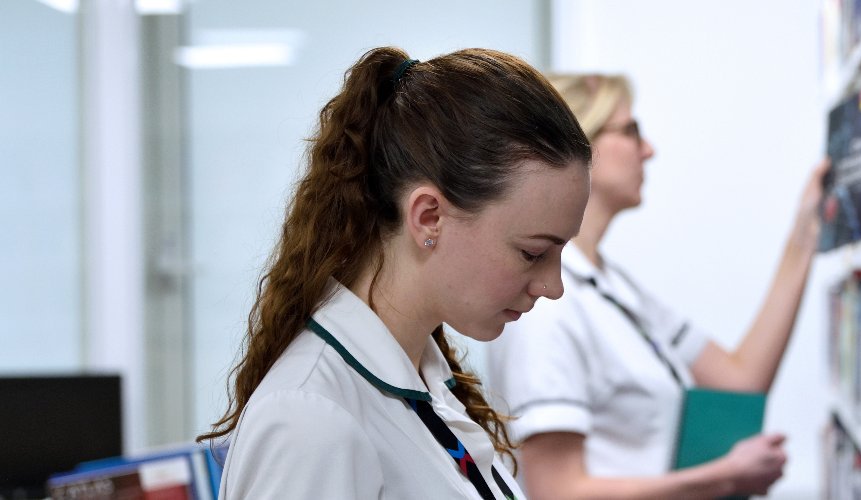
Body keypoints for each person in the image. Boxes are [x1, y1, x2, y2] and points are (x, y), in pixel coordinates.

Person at [197, 46, 593, 499]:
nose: (553, 286)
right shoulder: (309, 420)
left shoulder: (425, 382)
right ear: (428, 217)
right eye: (532, 252)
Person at [488, 74, 828, 498]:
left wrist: (804, 234)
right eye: (631, 132)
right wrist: (722, 477)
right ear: (580, 145)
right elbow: (557, 492)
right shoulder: (547, 305)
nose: (648, 150)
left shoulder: (613, 287)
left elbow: (741, 380)